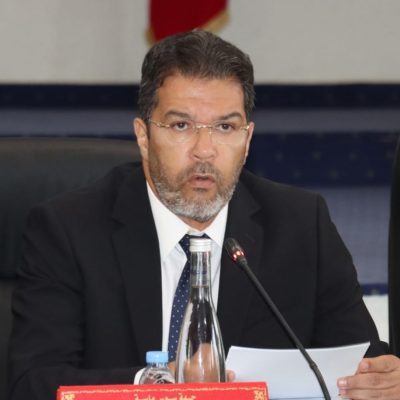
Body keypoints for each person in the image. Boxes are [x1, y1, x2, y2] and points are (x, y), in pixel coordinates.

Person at [8, 30, 400, 400]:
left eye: (225, 127)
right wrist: (157, 384)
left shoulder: (301, 226)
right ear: (143, 136)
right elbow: (32, 382)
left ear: (247, 139)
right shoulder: (68, 229)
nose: (204, 150)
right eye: (181, 125)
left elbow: (362, 360)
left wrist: (381, 380)